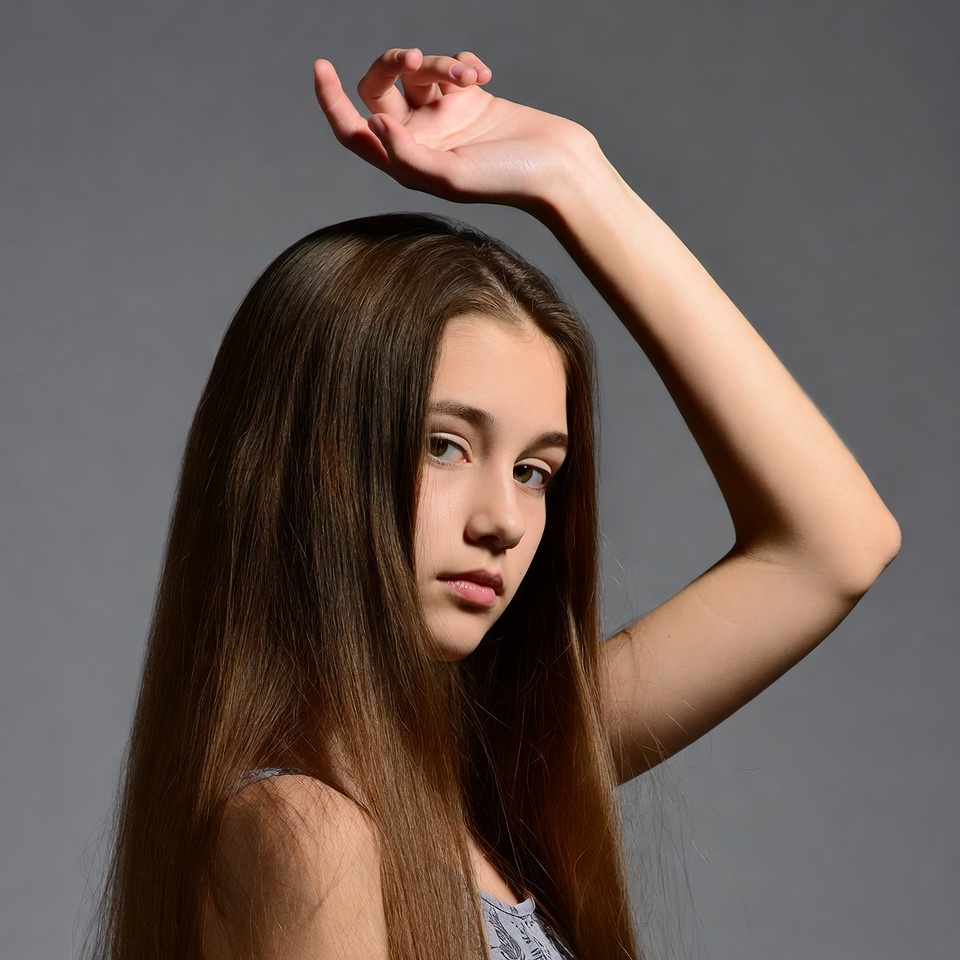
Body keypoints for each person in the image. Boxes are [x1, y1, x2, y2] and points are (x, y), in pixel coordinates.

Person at [91, 48, 900, 960]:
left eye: (535, 471)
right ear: (305, 457)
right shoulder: (303, 832)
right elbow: (830, 551)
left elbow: (836, 544)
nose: (503, 522)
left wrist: (573, 176)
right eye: (446, 445)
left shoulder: (490, 776)